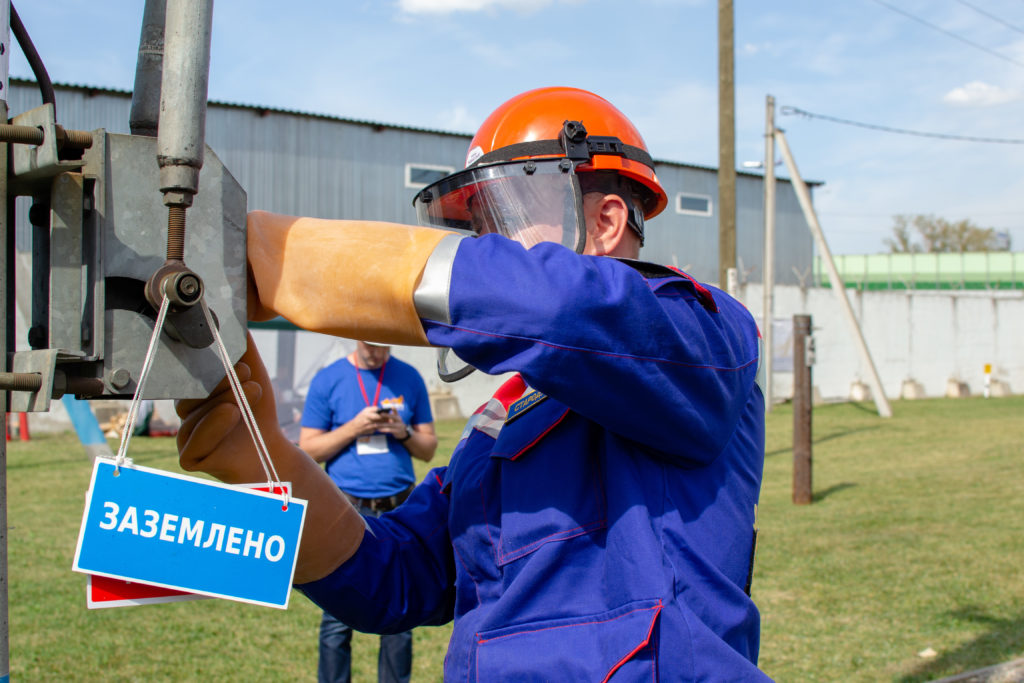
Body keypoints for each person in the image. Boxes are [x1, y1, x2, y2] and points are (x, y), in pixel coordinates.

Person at [177, 87, 769, 680]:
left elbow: (555, 305)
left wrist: (285, 255)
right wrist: (261, 460)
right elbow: (394, 579)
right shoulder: (502, 421)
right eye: (479, 227)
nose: (485, 245)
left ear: (608, 221)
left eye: (506, 217)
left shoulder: (704, 332)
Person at [299, 341, 437, 683]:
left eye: (382, 345)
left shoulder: (408, 377)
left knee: (400, 611)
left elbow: (429, 448)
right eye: (369, 345)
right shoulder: (329, 379)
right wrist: (354, 428)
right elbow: (308, 450)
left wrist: (403, 433)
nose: (376, 352)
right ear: (355, 337)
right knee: (337, 616)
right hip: (346, 509)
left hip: (399, 508)